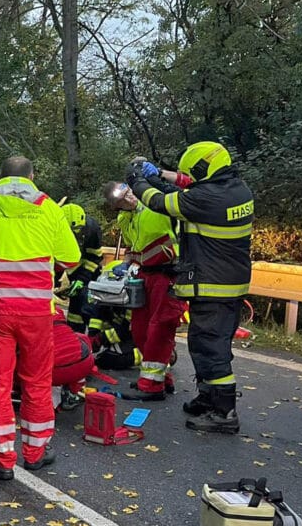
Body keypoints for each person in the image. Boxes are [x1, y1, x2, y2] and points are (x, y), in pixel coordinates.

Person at [0, 155, 80, 480]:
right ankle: (36, 452)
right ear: (32, 177)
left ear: (0, 177)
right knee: (37, 382)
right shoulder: (49, 208)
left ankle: (1, 458)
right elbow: (71, 258)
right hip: (37, 313)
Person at [126, 142, 254, 433]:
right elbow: (187, 185)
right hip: (225, 281)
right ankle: (209, 398)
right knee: (205, 344)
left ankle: (224, 413)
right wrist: (159, 173)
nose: (188, 177)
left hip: (214, 284)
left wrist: (138, 181)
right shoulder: (235, 189)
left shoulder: (206, 198)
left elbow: (160, 202)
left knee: (211, 348)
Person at [102, 180, 184, 401]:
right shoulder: (124, 219)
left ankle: (151, 385)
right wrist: (126, 263)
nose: (128, 198)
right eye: (122, 199)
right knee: (140, 329)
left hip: (168, 274)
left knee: (160, 328)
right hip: (144, 275)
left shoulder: (156, 205)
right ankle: (158, 377)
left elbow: (178, 204)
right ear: (117, 206)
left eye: (128, 193)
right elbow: (132, 247)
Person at [88, 261, 141, 371]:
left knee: (109, 360)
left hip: (136, 338)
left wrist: (100, 339)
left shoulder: (134, 301)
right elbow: (97, 317)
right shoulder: (103, 295)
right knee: (103, 359)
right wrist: (92, 336)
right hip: (117, 337)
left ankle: (156, 355)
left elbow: (125, 330)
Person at [59, 203, 103, 332]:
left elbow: (95, 258)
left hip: (89, 272)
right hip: (70, 270)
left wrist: (82, 280)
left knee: (87, 302)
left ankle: (91, 337)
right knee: (74, 310)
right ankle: (73, 334)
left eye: (78, 229)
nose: (76, 234)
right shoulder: (55, 231)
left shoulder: (92, 229)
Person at [49, 305, 95, 410]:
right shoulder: (56, 309)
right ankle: (73, 392)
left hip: (54, 372)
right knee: (80, 338)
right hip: (84, 363)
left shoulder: (20, 314)